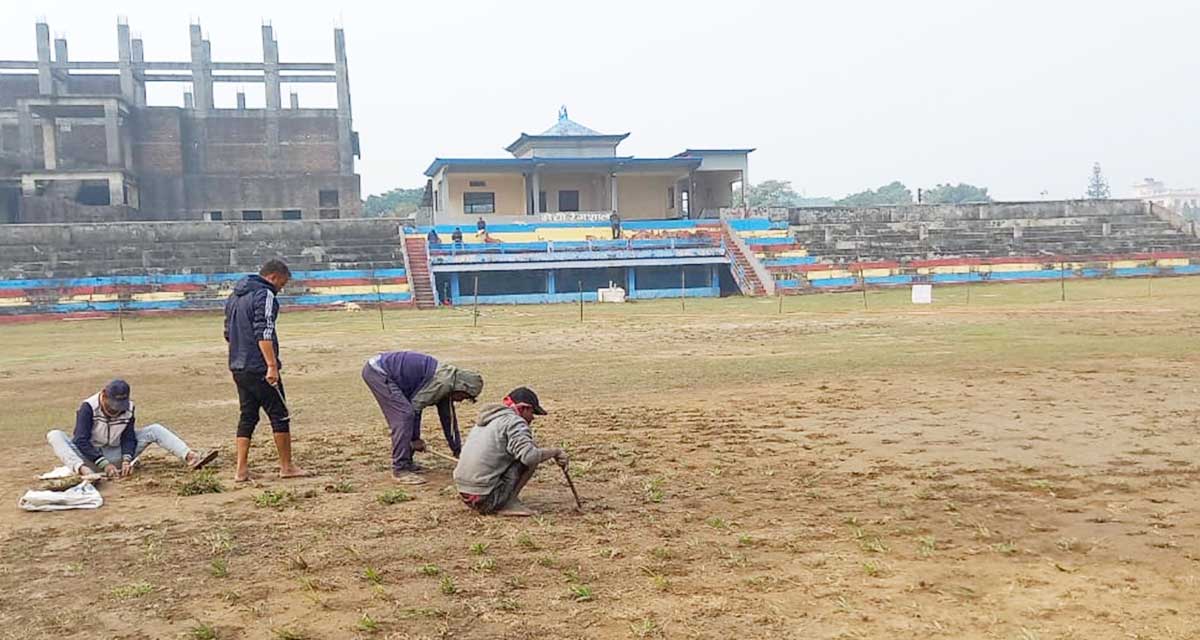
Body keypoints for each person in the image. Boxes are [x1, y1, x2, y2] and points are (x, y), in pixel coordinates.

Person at [224, 259, 307, 482]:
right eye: (282, 283)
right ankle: (286, 466)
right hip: (259, 366)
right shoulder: (265, 295)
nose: (282, 288)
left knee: (247, 415)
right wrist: (271, 365)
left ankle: (241, 470)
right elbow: (265, 330)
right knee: (279, 414)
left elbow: (227, 333)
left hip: (238, 365)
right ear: (273, 277)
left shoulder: (235, 296)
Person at [45, 379, 217, 478]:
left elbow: (129, 438)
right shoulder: (88, 407)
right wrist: (103, 464)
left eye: (120, 404)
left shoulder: (128, 409)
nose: (116, 409)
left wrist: (127, 459)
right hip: (89, 459)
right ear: (104, 395)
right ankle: (85, 473)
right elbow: (81, 440)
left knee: (154, 429)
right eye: (113, 404)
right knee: (55, 435)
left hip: (116, 454)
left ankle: (190, 457)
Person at [362, 351, 484, 484]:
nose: (461, 400)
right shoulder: (442, 383)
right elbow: (415, 408)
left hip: (386, 372)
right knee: (404, 415)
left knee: (406, 415)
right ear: (461, 387)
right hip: (379, 372)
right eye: (464, 397)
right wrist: (415, 439)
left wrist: (458, 452)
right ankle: (400, 468)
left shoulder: (449, 386)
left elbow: (449, 421)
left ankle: (407, 462)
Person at [453, 387, 567, 516]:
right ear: (524, 408)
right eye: (532, 412)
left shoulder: (489, 420)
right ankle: (508, 503)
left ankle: (502, 498)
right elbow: (530, 457)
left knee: (523, 450)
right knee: (530, 452)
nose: (533, 418)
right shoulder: (515, 422)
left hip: (466, 494)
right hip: (486, 499)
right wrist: (556, 452)